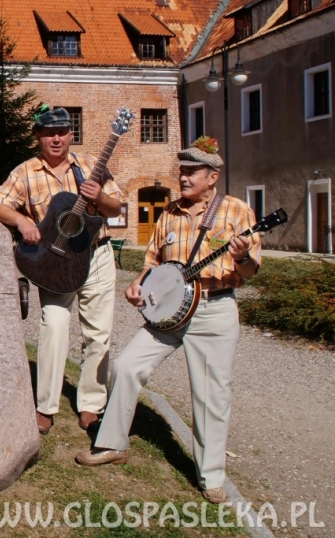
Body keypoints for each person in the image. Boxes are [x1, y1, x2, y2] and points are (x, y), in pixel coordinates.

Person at [75, 140, 260, 505]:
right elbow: (152, 260)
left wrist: (240, 259)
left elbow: (251, 270)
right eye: (182, 169)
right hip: (168, 312)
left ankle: (211, 477)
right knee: (126, 366)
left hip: (212, 309)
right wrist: (138, 285)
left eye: (192, 171)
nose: (184, 176)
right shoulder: (169, 212)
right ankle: (113, 444)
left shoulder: (237, 211)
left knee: (210, 396)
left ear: (213, 177)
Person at [0, 106, 123, 435]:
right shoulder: (26, 171)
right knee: (54, 326)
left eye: (62, 132)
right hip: (55, 262)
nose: (56, 138)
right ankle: (45, 406)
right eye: (49, 133)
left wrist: (100, 196)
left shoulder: (91, 166)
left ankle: (91, 405)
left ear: (71, 135)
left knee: (98, 335)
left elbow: (117, 207)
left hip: (97, 255)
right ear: (39, 137)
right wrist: (21, 220)